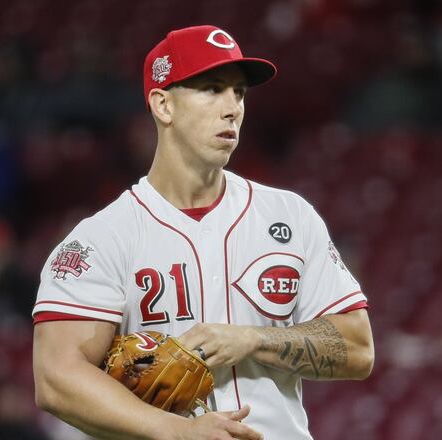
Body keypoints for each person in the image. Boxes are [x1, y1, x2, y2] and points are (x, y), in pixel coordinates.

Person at [32, 25, 374, 440]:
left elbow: (359, 348)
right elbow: (56, 378)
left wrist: (254, 340)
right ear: (163, 105)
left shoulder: (291, 216)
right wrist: (177, 431)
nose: (232, 108)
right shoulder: (102, 238)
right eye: (212, 89)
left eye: (239, 93)